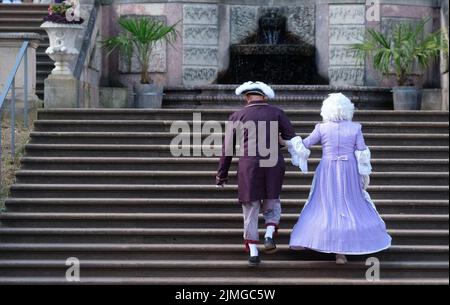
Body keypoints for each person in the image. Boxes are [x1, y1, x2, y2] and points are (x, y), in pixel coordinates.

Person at [283, 93, 392, 264]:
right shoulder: (356, 128)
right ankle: (343, 251)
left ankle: (325, 243)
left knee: (326, 204)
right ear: (348, 109)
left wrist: (287, 142)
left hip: (328, 169)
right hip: (349, 169)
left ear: (326, 110)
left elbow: (304, 145)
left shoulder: (321, 128)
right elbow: (362, 152)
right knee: (350, 204)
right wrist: (363, 173)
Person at [216, 81, 297, 267]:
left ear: (247, 97)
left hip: (249, 166)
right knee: (272, 201)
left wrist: (222, 174)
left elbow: (227, 149)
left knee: (250, 208)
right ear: (265, 97)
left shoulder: (237, 116)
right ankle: (269, 234)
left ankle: (253, 252)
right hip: (273, 164)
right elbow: (291, 139)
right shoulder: (277, 113)